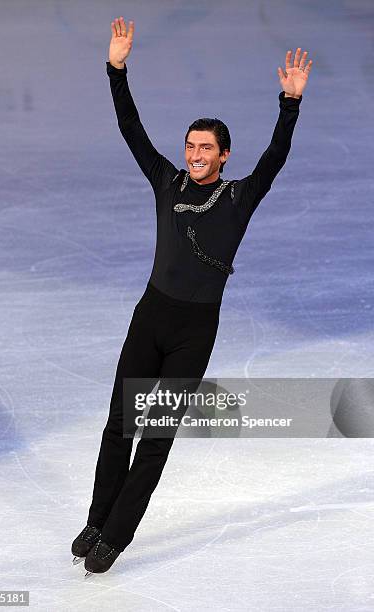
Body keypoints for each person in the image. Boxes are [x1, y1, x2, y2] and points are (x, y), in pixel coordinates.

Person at [72, 16, 313, 575]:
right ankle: (96, 518)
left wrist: (290, 103)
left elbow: (276, 157)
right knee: (118, 423)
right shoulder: (166, 181)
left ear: (224, 155)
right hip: (150, 315)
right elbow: (131, 128)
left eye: (205, 147)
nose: (194, 153)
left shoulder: (238, 198)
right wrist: (116, 69)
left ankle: (117, 534)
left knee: (154, 437)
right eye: (190, 145)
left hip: (193, 330)